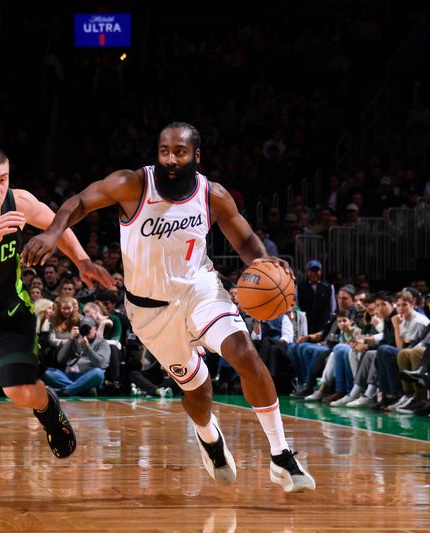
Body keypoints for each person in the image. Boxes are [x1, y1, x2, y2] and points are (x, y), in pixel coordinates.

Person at [22, 122, 315, 493]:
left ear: (196, 155)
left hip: (201, 290)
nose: (171, 159)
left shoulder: (213, 195)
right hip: (150, 312)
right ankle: (209, 436)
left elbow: (244, 239)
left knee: (245, 354)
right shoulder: (133, 185)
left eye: (179, 151)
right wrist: (51, 233)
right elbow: (79, 201)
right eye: (164, 151)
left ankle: (281, 455)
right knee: (199, 392)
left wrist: (267, 264)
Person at [0, 145, 111, 501]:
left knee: (18, 389)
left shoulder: (19, 202)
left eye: (2, 180)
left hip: (7, 312)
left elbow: (58, 223)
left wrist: (83, 261)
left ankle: (49, 408)